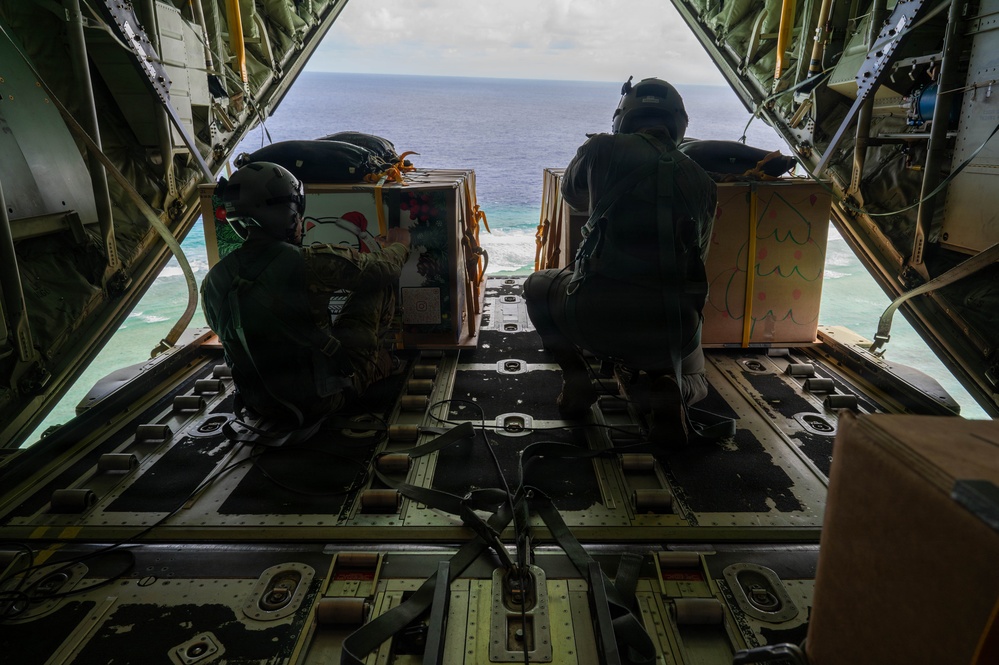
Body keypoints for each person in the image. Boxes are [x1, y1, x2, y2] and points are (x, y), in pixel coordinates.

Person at [524, 76, 717, 441]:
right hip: (670, 327)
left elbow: (573, 197)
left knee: (536, 286)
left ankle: (577, 380)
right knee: (697, 379)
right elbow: (698, 267)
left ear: (623, 118)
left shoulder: (600, 148)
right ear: (679, 125)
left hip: (596, 315)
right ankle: (671, 385)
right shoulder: (704, 183)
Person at [201, 161, 410, 430]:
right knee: (376, 284)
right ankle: (378, 365)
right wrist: (398, 246)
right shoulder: (307, 262)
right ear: (287, 215)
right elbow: (383, 269)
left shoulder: (212, 282)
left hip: (258, 404)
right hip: (323, 399)